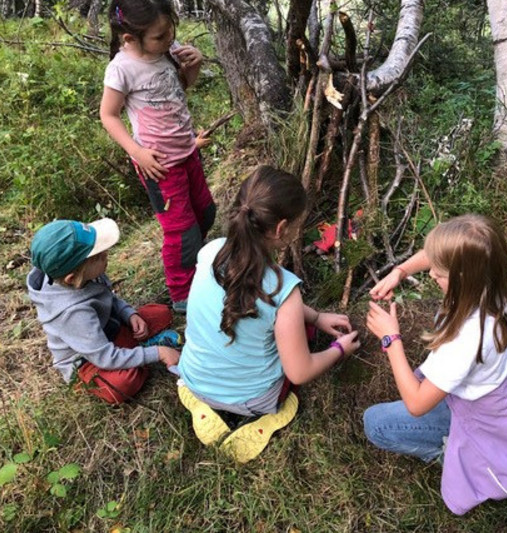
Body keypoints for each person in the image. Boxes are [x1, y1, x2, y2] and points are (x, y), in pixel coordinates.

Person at [364, 214, 507, 514]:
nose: (431, 276)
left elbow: (416, 403)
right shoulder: (493, 285)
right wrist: (399, 271)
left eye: (438, 274)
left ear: (462, 277)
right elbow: (435, 254)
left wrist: (391, 339)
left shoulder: (465, 340)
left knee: (376, 424)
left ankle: (451, 450)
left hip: (480, 415)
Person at [176, 166, 361, 463]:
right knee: (300, 348)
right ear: (280, 229)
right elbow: (299, 372)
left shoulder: (211, 251)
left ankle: (201, 403)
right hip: (252, 399)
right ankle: (262, 418)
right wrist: (339, 350)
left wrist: (314, 317)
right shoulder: (282, 289)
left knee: (293, 328)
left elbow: (246, 296)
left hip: (193, 377)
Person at [99, 0, 216, 314]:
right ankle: (183, 295)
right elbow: (108, 115)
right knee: (181, 231)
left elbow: (178, 89)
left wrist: (193, 66)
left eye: (169, 32)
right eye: (160, 36)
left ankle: (197, 262)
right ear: (129, 39)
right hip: (160, 166)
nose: (168, 40)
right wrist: (137, 153)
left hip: (187, 151)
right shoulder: (122, 68)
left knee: (205, 212)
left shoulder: (165, 51)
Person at [27, 218, 181, 404]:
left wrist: (128, 313)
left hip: (109, 330)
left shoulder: (83, 275)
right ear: (72, 278)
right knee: (123, 385)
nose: (106, 255)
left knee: (161, 313)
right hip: (90, 360)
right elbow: (105, 357)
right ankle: (137, 354)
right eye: (99, 256)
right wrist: (157, 353)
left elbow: (109, 297)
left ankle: (133, 350)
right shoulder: (72, 313)